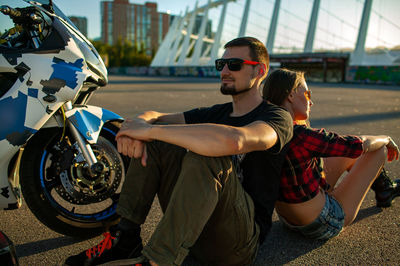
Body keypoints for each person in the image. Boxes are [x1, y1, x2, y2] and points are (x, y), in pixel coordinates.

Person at [64, 37, 293, 266]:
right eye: (220, 64)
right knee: (157, 144)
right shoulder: (215, 113)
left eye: (234, 64)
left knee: (207, 155)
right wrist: (134, 129)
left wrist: (149, 131)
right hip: (194, 230)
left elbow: (235, 141)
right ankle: (125, 239)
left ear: (260, 70)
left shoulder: (276, 117)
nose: (224, 71)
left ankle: (157, 261)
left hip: (237, 245)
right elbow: (154, 116)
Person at [263, 68, 400, 240]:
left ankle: (384, 189)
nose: (310, 102)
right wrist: (386, 138)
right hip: (324, 222)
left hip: (288, 219)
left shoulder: (264, 128)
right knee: (378, 150)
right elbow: (357, 145)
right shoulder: (300, 135)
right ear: (290, 95)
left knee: (343, 152)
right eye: (307, 94)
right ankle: (385, 189)